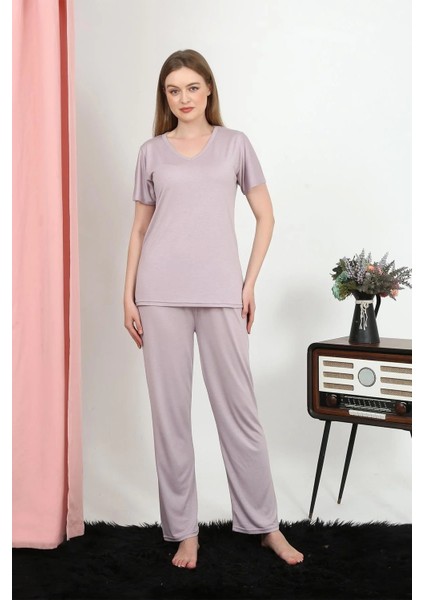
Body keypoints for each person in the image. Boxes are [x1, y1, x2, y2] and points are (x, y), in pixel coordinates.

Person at [123, 49, 304, 569]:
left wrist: (248, 284)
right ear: (165, 97)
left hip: (222, 292)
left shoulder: (235, 144)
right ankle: (185, 533)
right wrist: (127, 294)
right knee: (170, 419)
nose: (183, 98)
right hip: (158, 294)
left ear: (208, 90)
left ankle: (266, 525)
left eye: (191, 87)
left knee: (240, 413)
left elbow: (266, 216)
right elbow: (139, 231)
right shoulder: (151, 152)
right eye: (173, 90)